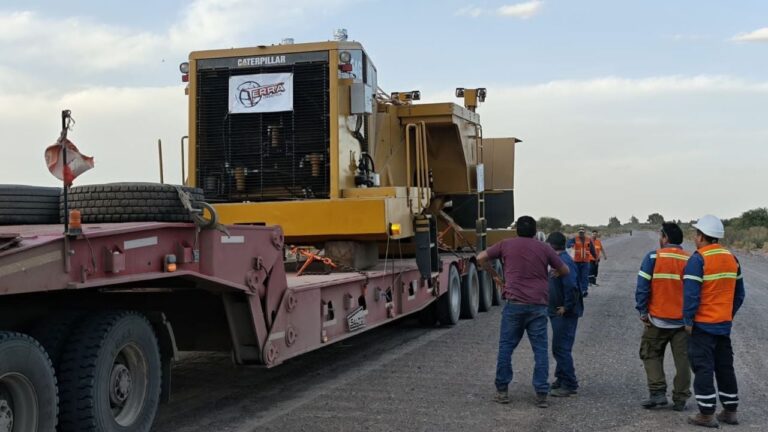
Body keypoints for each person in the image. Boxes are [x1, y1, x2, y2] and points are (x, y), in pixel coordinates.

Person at [478, 216, 570, 409]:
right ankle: (541, 394)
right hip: (538, 306)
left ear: (516, 230)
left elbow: (481, 258)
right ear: (535, 231)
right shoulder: (544, 248)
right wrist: (555, 273)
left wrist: (495, 276)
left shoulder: (506, 244)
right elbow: (565, 270)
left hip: (514, 305)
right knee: (540, 350)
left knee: (506, 348)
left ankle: (502, 391)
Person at [683, 215, 746, 428]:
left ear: (702, 236)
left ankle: (706, 414)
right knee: (724, 367)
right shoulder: (732, 258)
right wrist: (728, 314)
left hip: (702, 326)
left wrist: (688, 320)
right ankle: (730, 411)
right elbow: (740, 294)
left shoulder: (698, 259)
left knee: (703, 367)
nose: (695, 238)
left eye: (696, 234)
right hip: (723, 325)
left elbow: (691, 295)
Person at [635, 223, 691, 411]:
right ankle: (680, 399)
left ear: (665, 238)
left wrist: (643, 311)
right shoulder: (691, 260)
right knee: (683, 361)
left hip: (657, 320)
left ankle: (657, 393)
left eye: (661, 235)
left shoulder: (653, 257)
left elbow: (642, 287)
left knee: (650, 354)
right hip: (682, 323)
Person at [546, 232, 583, 397]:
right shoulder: (558, 260)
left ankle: (569, 383)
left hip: (564, 314)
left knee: (561, 348)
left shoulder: (564, 261)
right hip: (558, 312)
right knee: (559, 347)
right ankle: (561, 378)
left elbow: (572, 286)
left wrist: (566, 307)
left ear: (551, 245)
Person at [567, 227, 596, 296]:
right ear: (578, 232)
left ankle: (584, 290)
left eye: (582, 232)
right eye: (580, 232)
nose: (581, 233)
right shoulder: (574, 239)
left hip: (585, 262)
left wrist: (595, 258)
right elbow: (567, 244)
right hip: (576, 261)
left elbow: (592, 249)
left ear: (584, 232)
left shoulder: (588, 240)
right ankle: (578, 290)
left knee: (585, 277)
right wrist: (571, 244)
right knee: (577, 276)